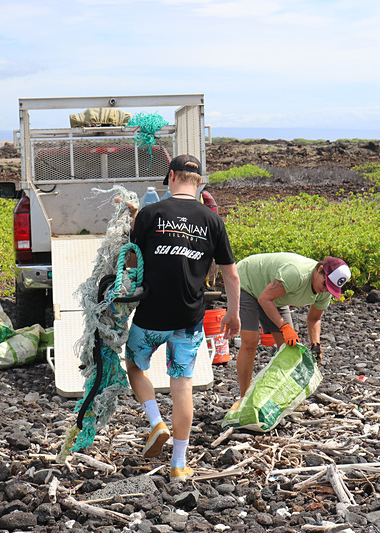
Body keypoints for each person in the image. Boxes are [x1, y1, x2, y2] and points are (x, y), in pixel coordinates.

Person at [123, 154, 241, 482]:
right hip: (189, 320)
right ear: (199, 182)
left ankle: (155, 422)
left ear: (171, 177)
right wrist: (233, 314)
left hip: (151, 317)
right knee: (182, 387)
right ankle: (178, 463)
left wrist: (137, 224)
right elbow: (231, 275)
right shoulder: (211, 220)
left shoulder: (150, 214)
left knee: (134, 366)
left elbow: (133, 262)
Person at [234, 252, 351, 399]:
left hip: (275, 296)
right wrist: (284, 326)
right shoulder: (297, 273)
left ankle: (273, 395)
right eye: (325, 284)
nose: (326, 289)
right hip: (248, 282)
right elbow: (264, 299)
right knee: (251, 341)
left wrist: (316, 344)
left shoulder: (325, 291)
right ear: (319, 270)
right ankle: (244, 398)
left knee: (288, 346)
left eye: (332, 288)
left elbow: (314, 318)